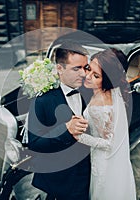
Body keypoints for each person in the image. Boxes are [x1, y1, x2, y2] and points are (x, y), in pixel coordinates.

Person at [27, 41, 91, 200]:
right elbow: (35, 143)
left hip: (89, 172)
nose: (83, 74)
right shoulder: (42, 100)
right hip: (61, 179)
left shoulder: (90, 89)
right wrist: (66, 130)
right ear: (59, 69)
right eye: (76, 68)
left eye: (85, 67)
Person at [72, 49, 136, 200]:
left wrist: (78, 136)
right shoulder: (110, 93)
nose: (87, 77)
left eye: (96, 76)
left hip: (103, 159)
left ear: (106, 80)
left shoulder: (99, 105)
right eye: (89, 69)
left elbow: (108, 143)